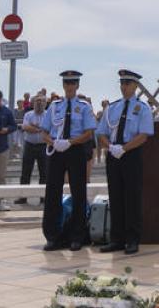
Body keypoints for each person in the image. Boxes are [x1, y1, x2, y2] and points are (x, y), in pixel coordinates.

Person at [96, 70, 155, 254]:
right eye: (122, 84)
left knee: (132, 197)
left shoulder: (143, 108)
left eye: (128, 84)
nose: (124, 87)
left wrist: (124, 148)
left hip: (131, 154)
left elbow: (144, 135)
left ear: (136, 86)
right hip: (113, 154)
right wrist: (111, 147)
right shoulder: (112, 108)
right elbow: (101, 133)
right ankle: (117, 239)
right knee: (115, 196)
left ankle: (132, 239)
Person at [42, 71, 97, 252]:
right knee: (52, 192)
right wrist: (54, 142)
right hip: (57, 150)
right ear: (63, 85)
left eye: (73, 83)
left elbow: (89, 133)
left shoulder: (84, 106)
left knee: (79, 193)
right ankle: (52, 236)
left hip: (75, 150)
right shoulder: (54, 106)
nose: (70, 86)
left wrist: (70, 142)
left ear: (77, 86)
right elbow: (44, 131)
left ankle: (77, 236)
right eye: (67, 83)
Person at [17, 95, 49, 205]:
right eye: (37, 101)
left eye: (42, 101)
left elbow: (49, 129)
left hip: (43, 146)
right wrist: (40, 129)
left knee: (44, 173)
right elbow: (25, 127)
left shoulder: (49, 115)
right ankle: (23, 197)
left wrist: (34, 128)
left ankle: (44, 197)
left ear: (45, 103)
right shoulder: (28, 114)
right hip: (29, 146)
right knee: (25, 172)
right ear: (33, 103)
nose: (39, 103)